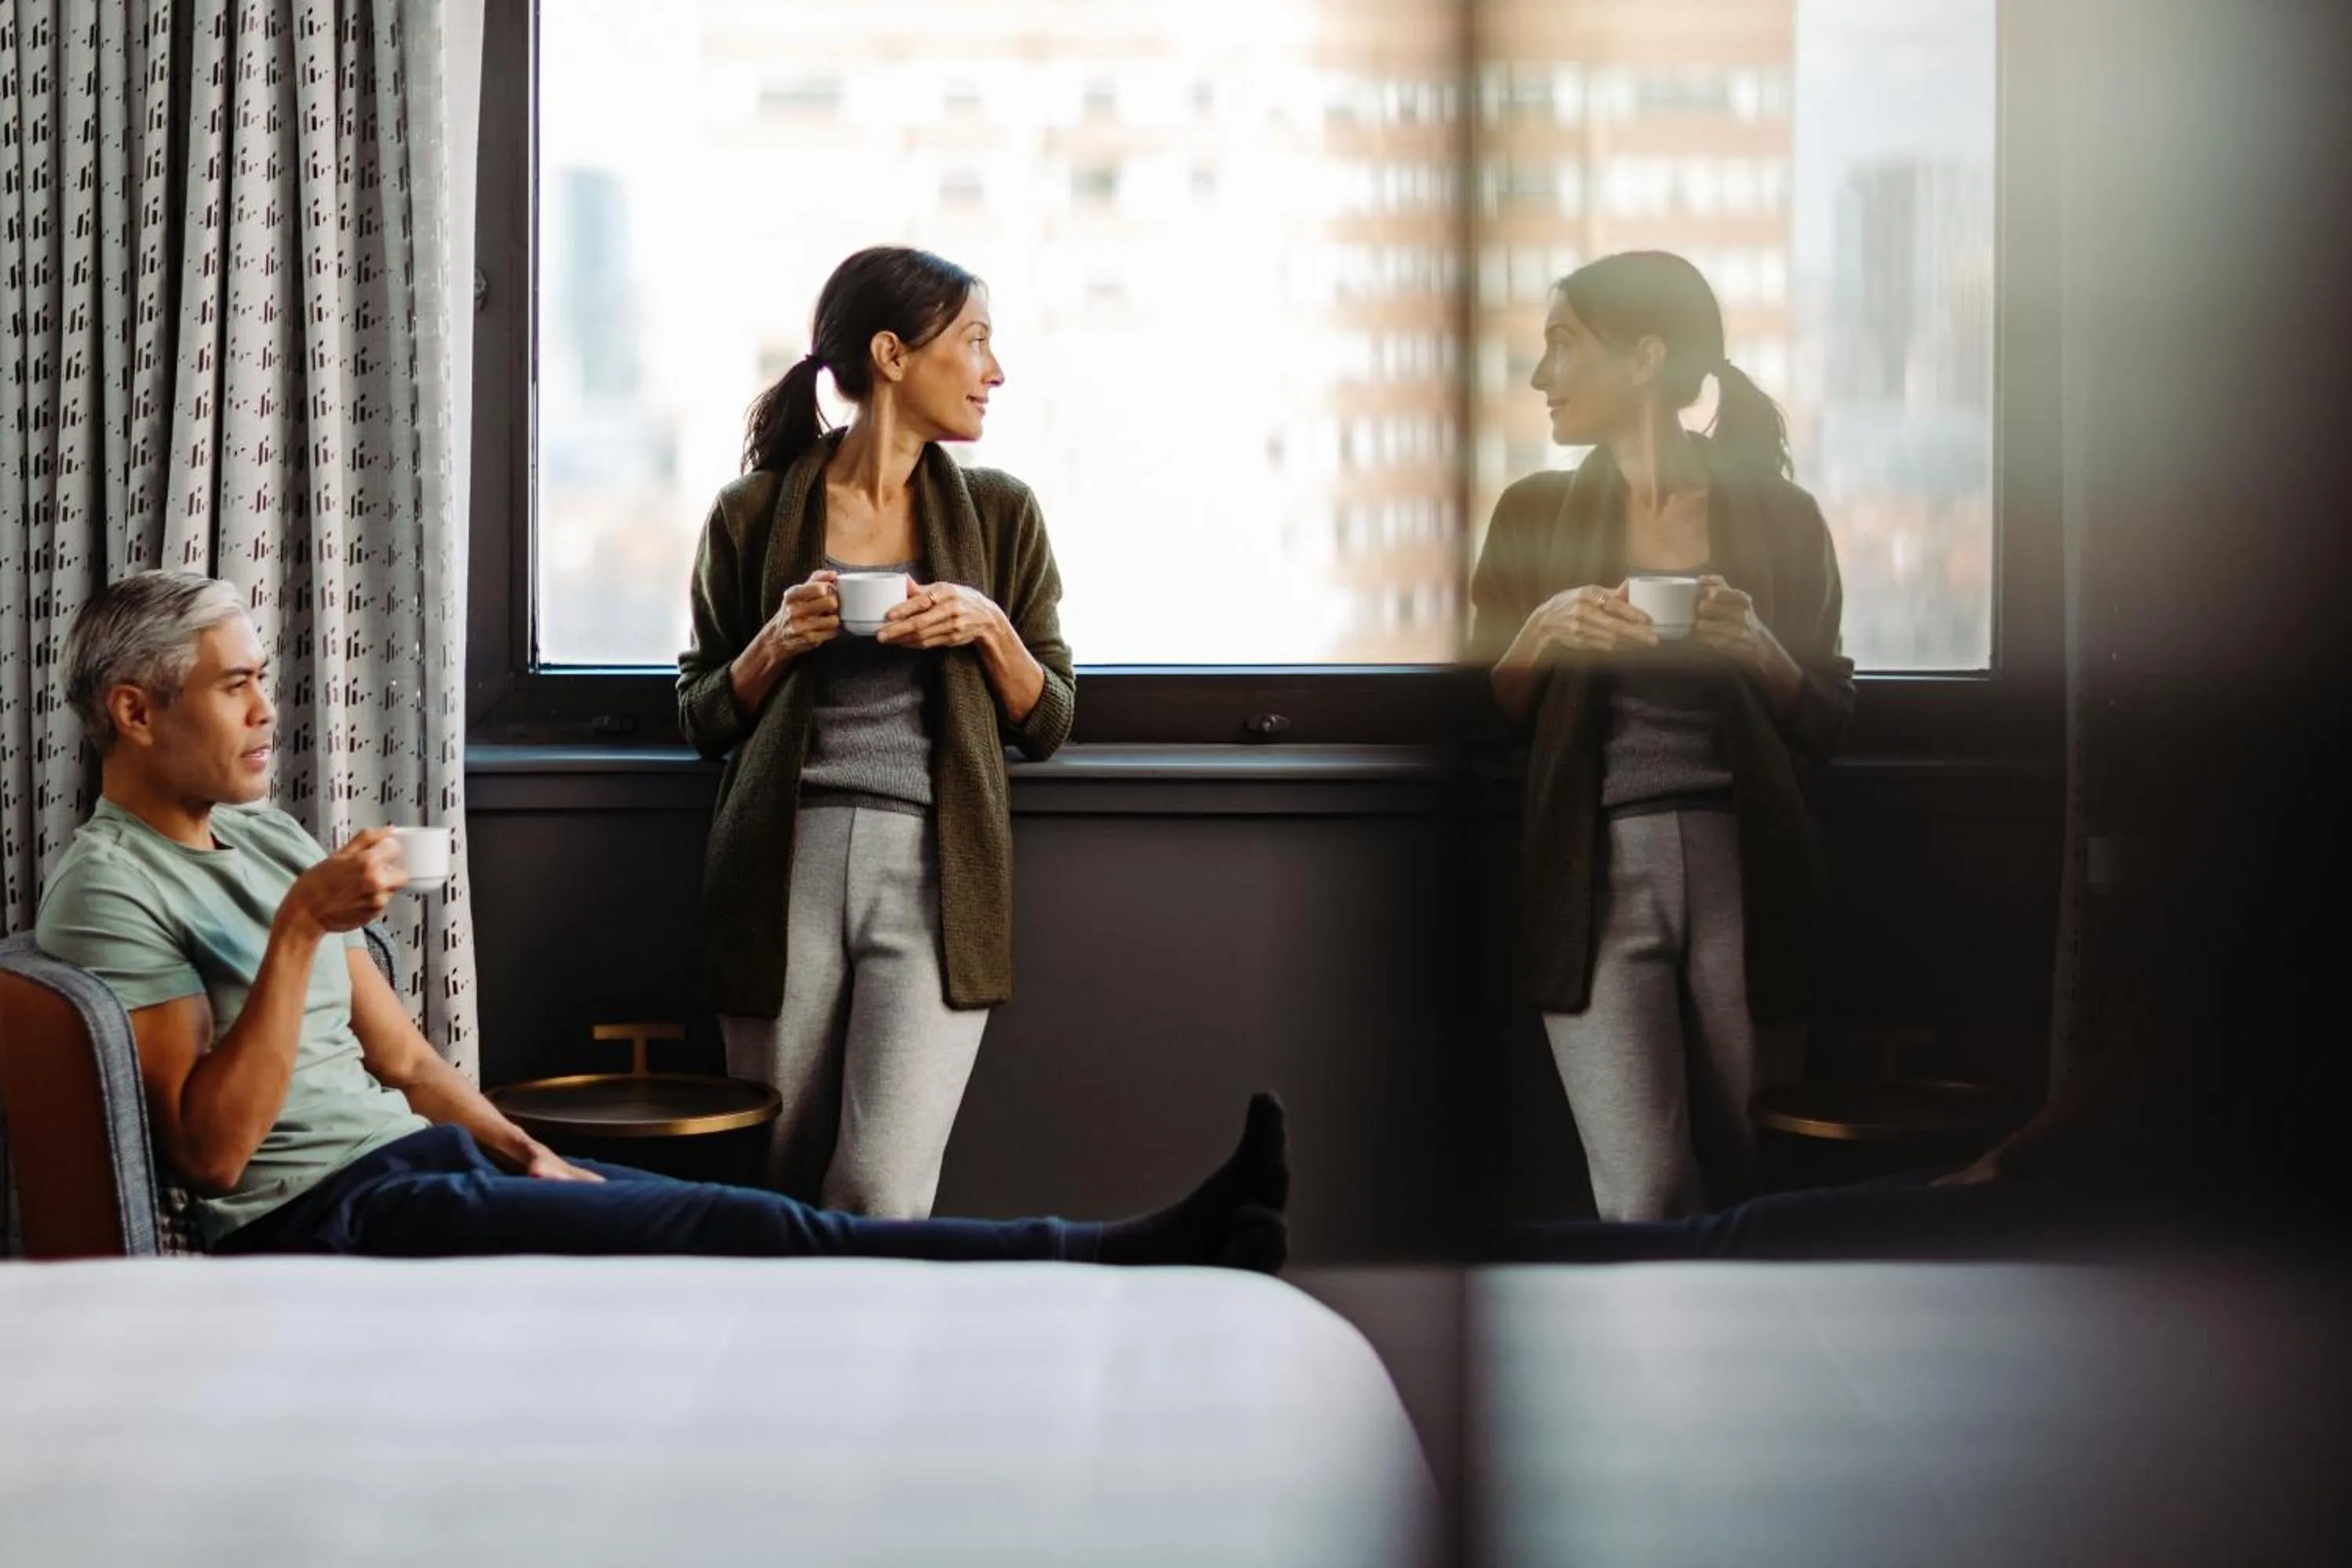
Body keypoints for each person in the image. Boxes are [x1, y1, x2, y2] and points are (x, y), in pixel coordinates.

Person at [34, 571, 1283, 1267]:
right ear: (137, 713)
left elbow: (403, 1058)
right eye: (238, 685)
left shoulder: (261, 832)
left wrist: (523, 1151)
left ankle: (1140, 1248)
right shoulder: (110, 885)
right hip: (325, 1216)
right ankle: (1120, 1254)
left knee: (710, 1214)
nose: (266, 711)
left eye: (266, 681)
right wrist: (303, 930)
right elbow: (206, 1159)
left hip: (420, 1165)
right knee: (747, 1223)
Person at [675, 245, 1074, 1221]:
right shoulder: (753, 512)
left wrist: (987, 625)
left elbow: (1053, 716)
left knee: (884, 1188)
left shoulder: (1001, 512)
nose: (995, 369)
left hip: (938, 868)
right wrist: (774, 641)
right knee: (773, 1175)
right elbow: (699, 715)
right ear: (894, 355)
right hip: (782, 863)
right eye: (975, 340)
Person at [1467, 251, 1856, 1221]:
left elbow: (1831, 720)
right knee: (1641, 1193)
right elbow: (1480, 718)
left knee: (1754, 1177)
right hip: (1590, 873)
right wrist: (1543, 631)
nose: (1539, 375)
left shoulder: (1781, 519)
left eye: (1562, 344)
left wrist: (1762, 649)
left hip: (1750, 867)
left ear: (1644, 358)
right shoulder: (1533, 513)